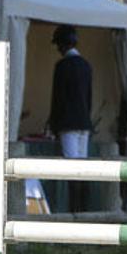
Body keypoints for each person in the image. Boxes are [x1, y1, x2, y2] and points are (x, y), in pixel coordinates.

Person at [48, 25, 92, 212]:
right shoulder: (86, 66)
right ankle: (84, 210)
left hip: (68, 125)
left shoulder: (62, 66)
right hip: (84, 122)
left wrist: (53, 124)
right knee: (83, 169)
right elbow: (89, 97)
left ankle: (73, 210)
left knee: (71, 169)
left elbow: (57, 99)